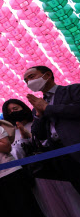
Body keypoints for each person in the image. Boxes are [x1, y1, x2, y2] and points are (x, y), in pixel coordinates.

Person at [3, 98, 80, 217]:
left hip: (59, 173)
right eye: (10, 111)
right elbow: (17, 158)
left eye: (16, 108)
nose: (14, 112)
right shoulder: (9, 134)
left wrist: (29, 136)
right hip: (38, 180)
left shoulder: (39, 121)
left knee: (77, 211)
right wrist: (22, 139)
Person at [24, 65, 80, 193]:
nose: (29, 82)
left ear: (48, 75)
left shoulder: (73, 90)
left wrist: (48, 108)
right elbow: (38, 133)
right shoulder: (37, 106)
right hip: (62, 156)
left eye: (31, 77)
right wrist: (39, 115)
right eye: (26, 81)